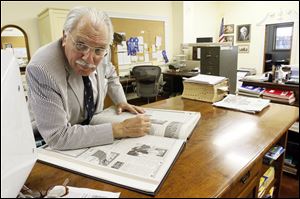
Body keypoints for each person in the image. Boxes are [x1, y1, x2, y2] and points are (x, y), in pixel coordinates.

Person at [26, 7, 151, 150]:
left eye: (98, 50)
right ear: (65, 37)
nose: (88, 59)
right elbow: (57, 136)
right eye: (80, 45)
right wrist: (120, 129)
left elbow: (110, 74)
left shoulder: (102, 49)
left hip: (88, 127)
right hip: (45, 140)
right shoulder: (42, 68)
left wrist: (121, 101)